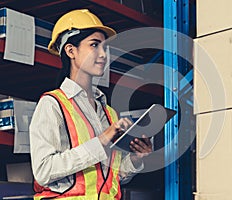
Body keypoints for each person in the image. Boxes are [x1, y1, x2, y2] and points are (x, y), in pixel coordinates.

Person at [29, 9, 152, 200]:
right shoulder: (52, 104)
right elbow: (44, 171)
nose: (103, 54)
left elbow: (110, 176)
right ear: (71, 51)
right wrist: (102, 140)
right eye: (94, 45)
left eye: (105, 47)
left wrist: (136, 159)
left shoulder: (109, 113)